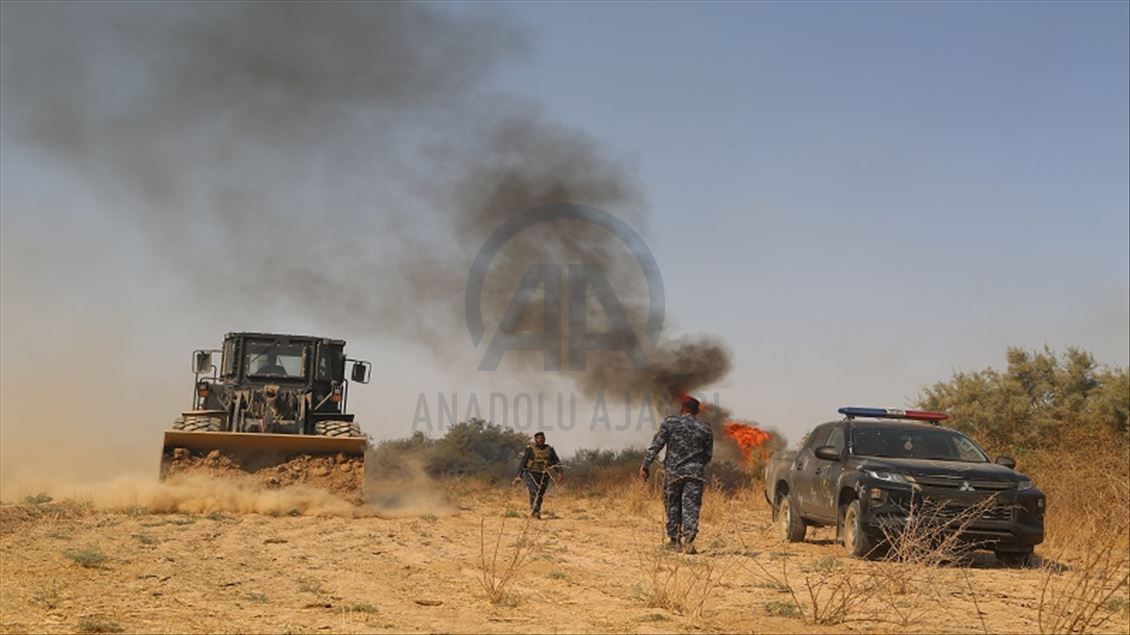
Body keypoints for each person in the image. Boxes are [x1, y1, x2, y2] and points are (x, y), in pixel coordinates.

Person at [639, 396, 713, 553]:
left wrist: (646, 465)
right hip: (695, 473)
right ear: (697, 411)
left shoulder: (670, 423)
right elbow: (708, 456)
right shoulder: (705, 428)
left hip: (673, 473)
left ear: (682, 409)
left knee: (672, 506)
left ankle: (674, 541)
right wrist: (695, 465)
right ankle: (689, 542)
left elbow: (656, 446)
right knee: (691, 507)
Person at [512, 432, 562, 519]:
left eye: (542, 438)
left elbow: (555, 461)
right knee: (534, 492)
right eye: (538, 438)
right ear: (535, 440)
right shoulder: (530, 449)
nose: (540, 440)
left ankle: (537, 511)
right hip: (531, 473)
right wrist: (519, 475)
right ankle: (534, 511)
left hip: (544, 474)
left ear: (544, 439)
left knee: (540, 494)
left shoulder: (549, 449)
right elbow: (523, 462)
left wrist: (559, 472)